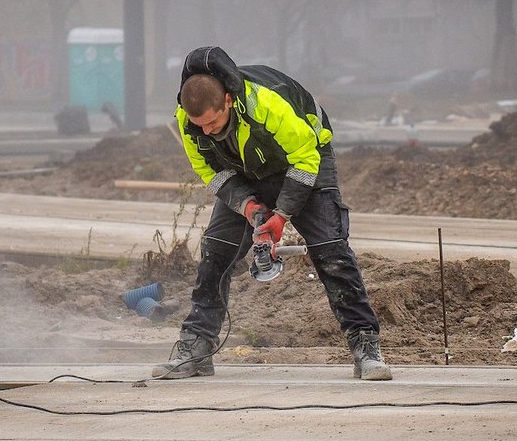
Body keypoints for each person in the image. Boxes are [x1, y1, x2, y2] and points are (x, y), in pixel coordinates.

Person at [153, 46, 392, 381]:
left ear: (228, 101)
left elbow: (306, 159)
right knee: (216, 253)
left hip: (305, 159)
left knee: (331, 252)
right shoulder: (188, 119)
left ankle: (366, 348)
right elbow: (210, 172)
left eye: (212, 122)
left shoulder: (267, 105)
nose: (206, 131)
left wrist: (280, 216)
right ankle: (196, 348)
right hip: (243, 172)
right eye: (199, 125)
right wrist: (247, 206)